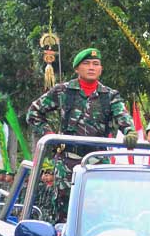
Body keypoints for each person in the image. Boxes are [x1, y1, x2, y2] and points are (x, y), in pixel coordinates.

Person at [26, 47, 137, 220]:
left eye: (96, 64)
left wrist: (130, 131)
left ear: (101, 69)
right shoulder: (63, 91)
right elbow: (34, 112)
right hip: (69, 159)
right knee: (65, 209)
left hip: (98, 159)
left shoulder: (109, 95)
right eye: (86, 64)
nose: (91, 67)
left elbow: (122, 115)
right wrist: (51, 137)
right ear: (77, 68)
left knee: (100, 208)